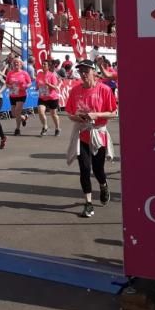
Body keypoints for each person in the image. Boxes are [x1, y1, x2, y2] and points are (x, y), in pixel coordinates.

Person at [66, 59, 118, 218]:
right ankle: (88, 204)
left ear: (94, 73)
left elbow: (113, 113)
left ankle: (103, 185)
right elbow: (70, 113)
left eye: (86, 71)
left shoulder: (104, 89)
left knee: (98, 170)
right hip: (82, 134)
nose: (83, 74)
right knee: (84, 170)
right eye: (80, 71)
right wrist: (78, 118)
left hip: (98, 134)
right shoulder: (75, 91)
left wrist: (97, 115)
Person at [5, 57, 32, 136]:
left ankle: (17, 129)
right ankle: (23, 118)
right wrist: (9, 86)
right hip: (13, 94)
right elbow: (6, 83)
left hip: (21, 95)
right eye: (15, 62)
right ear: (13, 64)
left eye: (18, 62)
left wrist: (26, 86)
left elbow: (30, 83)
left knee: (17, 111)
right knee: (13, 114)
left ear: (21, 64)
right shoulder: (10, 73)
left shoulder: (24, 73)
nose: (16, 64)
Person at [36, 58, 62, 137]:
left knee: (53, 114)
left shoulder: (52, 75)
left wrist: (48, 84)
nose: (43, 65)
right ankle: (45, 126)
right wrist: (37, 87)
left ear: (48, 66)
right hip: (42, 97)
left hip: (52, 97)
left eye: (45, 64)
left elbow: (55, 87)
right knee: (40, 111)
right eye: (43, 64)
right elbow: (37, 84)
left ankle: (57, 128)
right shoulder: (39, 74)